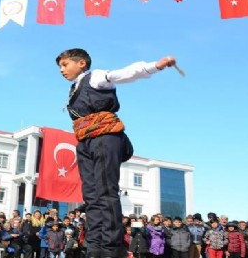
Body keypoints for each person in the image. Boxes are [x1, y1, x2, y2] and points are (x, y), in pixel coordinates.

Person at [55, 48, 176, 258]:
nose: (62, 70)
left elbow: (124, 73)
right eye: (60, 67)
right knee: (91, 196)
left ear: (81, 63)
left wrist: (154, 66)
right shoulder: (74, 88)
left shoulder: (96, 77)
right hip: (85, 140)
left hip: (104, 136)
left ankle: (111, 247)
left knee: (105, 191)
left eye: (65, 65)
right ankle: (94, 246)